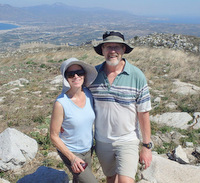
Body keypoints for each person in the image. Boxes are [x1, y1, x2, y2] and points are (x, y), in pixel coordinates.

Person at [89, 31, 152, 183]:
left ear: (123, 50)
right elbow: (80, 101)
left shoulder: (136, 76)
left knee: (125, 180)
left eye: (117, 47)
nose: (112, 51)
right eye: (108, 47)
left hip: (128, 139)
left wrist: (146, 146)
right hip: (103, 141)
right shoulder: (92, 74)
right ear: (102, 50)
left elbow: (143, 113)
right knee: (110, 177)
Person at [50, 57, 98, 183]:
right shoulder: (61, 103)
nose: (76, 76)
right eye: (71, 74)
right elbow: (54, 136)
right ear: (66, 78)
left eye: (80, 72)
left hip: (87, 149)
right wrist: (72, 158)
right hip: (71, 151)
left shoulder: (89, 94)